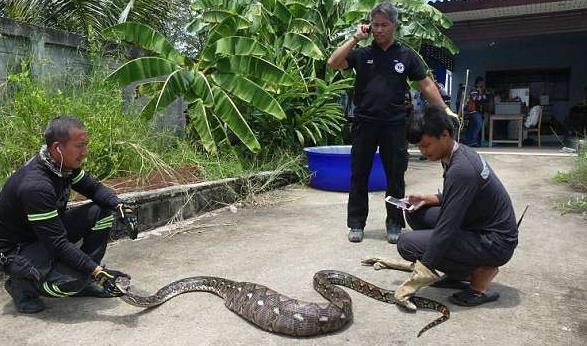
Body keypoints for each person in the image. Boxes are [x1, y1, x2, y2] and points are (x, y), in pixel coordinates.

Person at [327, 2, 457, 244]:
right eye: (375, 25)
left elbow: (426, 84)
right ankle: (356, 223)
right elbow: (333, 62)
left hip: (395, 125)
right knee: (359, 175)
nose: (378, 29)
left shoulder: (406, 55)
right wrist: (355, 38)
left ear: (394, 26)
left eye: (384, 25)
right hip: (364, 123)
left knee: (395, 176)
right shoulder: (363, 54)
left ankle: (395, 223)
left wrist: (445, 110)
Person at [0, 116, 138, 313]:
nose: (85, 152)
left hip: (44, 236)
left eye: (85, 145)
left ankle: (87, 277)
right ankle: (22, 285)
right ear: (58, 147)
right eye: (79, 146)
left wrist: (121, 206)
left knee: (102, 211)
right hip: (20, 250)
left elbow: (94, 189)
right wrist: (97, 272)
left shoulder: (62, 166)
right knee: (71, 283)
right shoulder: (36, 186)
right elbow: (57, 243)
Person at [389, 105, 518, 311]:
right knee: (416, 213)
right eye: (419, 147)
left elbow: (447, 228)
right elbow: (463, 196)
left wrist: (424, 271)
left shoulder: (462, 169)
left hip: (495, 242)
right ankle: (458, 272)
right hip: (479, 224)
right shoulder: (455, 154)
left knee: (407, 244)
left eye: (426, 145)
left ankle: (480, 276)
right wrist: (429, 198)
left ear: (445, 135)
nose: (423, 152)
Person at [462, 76, 487, 146]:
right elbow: (476, 98)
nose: (483, 84)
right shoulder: (474, 90)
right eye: (481, 83)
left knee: (474, 125)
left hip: (477, 111)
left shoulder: (481, 91)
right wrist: (480, 92)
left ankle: (471, 140)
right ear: (478, 83)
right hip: (471, 111)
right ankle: (472, 141)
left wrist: (482, 92)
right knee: (478, 123)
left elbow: (484, 99)